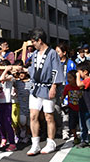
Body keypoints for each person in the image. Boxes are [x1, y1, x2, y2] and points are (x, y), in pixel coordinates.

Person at [27, 28, 65, 156]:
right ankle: (35, 144)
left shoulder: (52, 53)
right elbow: (31, 71)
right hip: (35, 88)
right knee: (33, 115)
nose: (33, 44)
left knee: (49, 116)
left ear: (39, 40)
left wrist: (54, 86)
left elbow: (56, 70)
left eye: (34, 42)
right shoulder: (34, 54)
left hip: (48, 87)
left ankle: (51, 142)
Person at [55, 43, 76, 139]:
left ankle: (65, 130)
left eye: (58, 52)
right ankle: (60, 127)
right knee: (56, 109)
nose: (56, 54)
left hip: (68, 89)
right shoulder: (54, 63)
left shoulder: (71, 63)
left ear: (64, 52)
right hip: (57, 89)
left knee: (66, 110)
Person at [0, 62, 17, 151]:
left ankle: (12, 143)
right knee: (0, 122)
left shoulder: (10, 77)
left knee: (7, 122)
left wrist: (7, 69)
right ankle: (3, 137)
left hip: (7, 102)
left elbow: (3, 79)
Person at [13, 63, 31, 144]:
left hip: (30, 105)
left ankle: (27, 135)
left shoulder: (31, 82)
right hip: (21, 105)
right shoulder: (17, 82)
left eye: (22, 73)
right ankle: (22, 132)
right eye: (19, 73)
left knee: (29, 123)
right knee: (22, 121)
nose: (21, 75)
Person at [62, 70, 81, 145]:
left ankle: (83, 138)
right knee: (72, 124)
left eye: (70, 78)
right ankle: (75, 136)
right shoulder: (67, 87)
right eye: (67, 77)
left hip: (80, 109)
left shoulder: (80, 86)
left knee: (82, 124)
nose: (68, 79)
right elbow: (64, 95)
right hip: (71, 109)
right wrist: (62, 99)